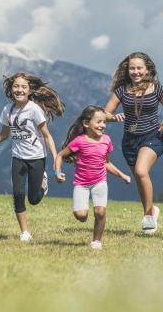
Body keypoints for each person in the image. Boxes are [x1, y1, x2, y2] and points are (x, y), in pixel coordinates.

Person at [0, 72, 65, 242]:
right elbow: (3, 135)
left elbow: (47, 136)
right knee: (18, 194)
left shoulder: (34, 109)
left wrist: (56, 162)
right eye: (16, 86)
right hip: (18, 158)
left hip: (36, 158)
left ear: (29, 90)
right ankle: (24, 232)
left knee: (34, 199)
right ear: (11, 89)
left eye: (23, 87)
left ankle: (43, 182)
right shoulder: (7, 110)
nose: (19, 90)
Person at [104, 52, 163, 234]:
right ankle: (152, 210)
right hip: (129, 140)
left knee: (141, 171)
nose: (135, 72)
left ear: (147, 69)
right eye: (132, 68)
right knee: (140, 178)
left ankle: (148, 216)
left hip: (152, 137)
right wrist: (113, 118)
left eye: (139, 68)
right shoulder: (121, 91)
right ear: (127, 70)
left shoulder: (157, 88)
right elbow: (105, 114)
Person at [54, 105, 131, 250]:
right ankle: (83, 212)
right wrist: (57, 172)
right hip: (81, 184)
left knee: (100, 212)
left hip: (99, 182)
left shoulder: (107, 140)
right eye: (98, 122)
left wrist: (122, 175)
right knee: (81, 216)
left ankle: (96, 241)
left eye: (104, 122)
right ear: (86, 123)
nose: (102, 125)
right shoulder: (79, 141)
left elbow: (106, 163)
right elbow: (60, 155)